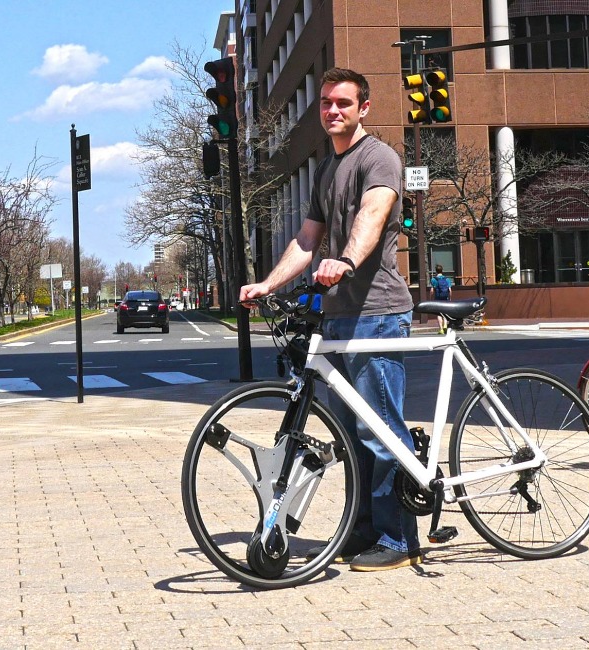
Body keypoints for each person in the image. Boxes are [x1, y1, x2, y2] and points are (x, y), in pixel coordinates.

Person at [239, 67, 420, 572]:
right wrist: (268, 283)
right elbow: (306, 238)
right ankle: (361, 530)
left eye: (342, 103)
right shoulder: (327, 168)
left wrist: (347, 261)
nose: (332, 111)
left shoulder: (378, 158)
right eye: (325, 103)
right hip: (338, 318)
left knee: (378, 429)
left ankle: (398, 539)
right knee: (346, 433)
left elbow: (373, 215)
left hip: (377, 313)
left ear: (363, 108)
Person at [429, 264, 452, 333]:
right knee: (445, 312)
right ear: (442, 270)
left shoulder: (433, 279)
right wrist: (450, 298)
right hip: (445, 297)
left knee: (439, 314)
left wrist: (430, 298)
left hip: (438, 298)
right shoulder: (447, 279)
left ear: (436, 271)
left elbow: (432, 290)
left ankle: (441, 329)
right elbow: (450, 290)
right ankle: (445, 325)